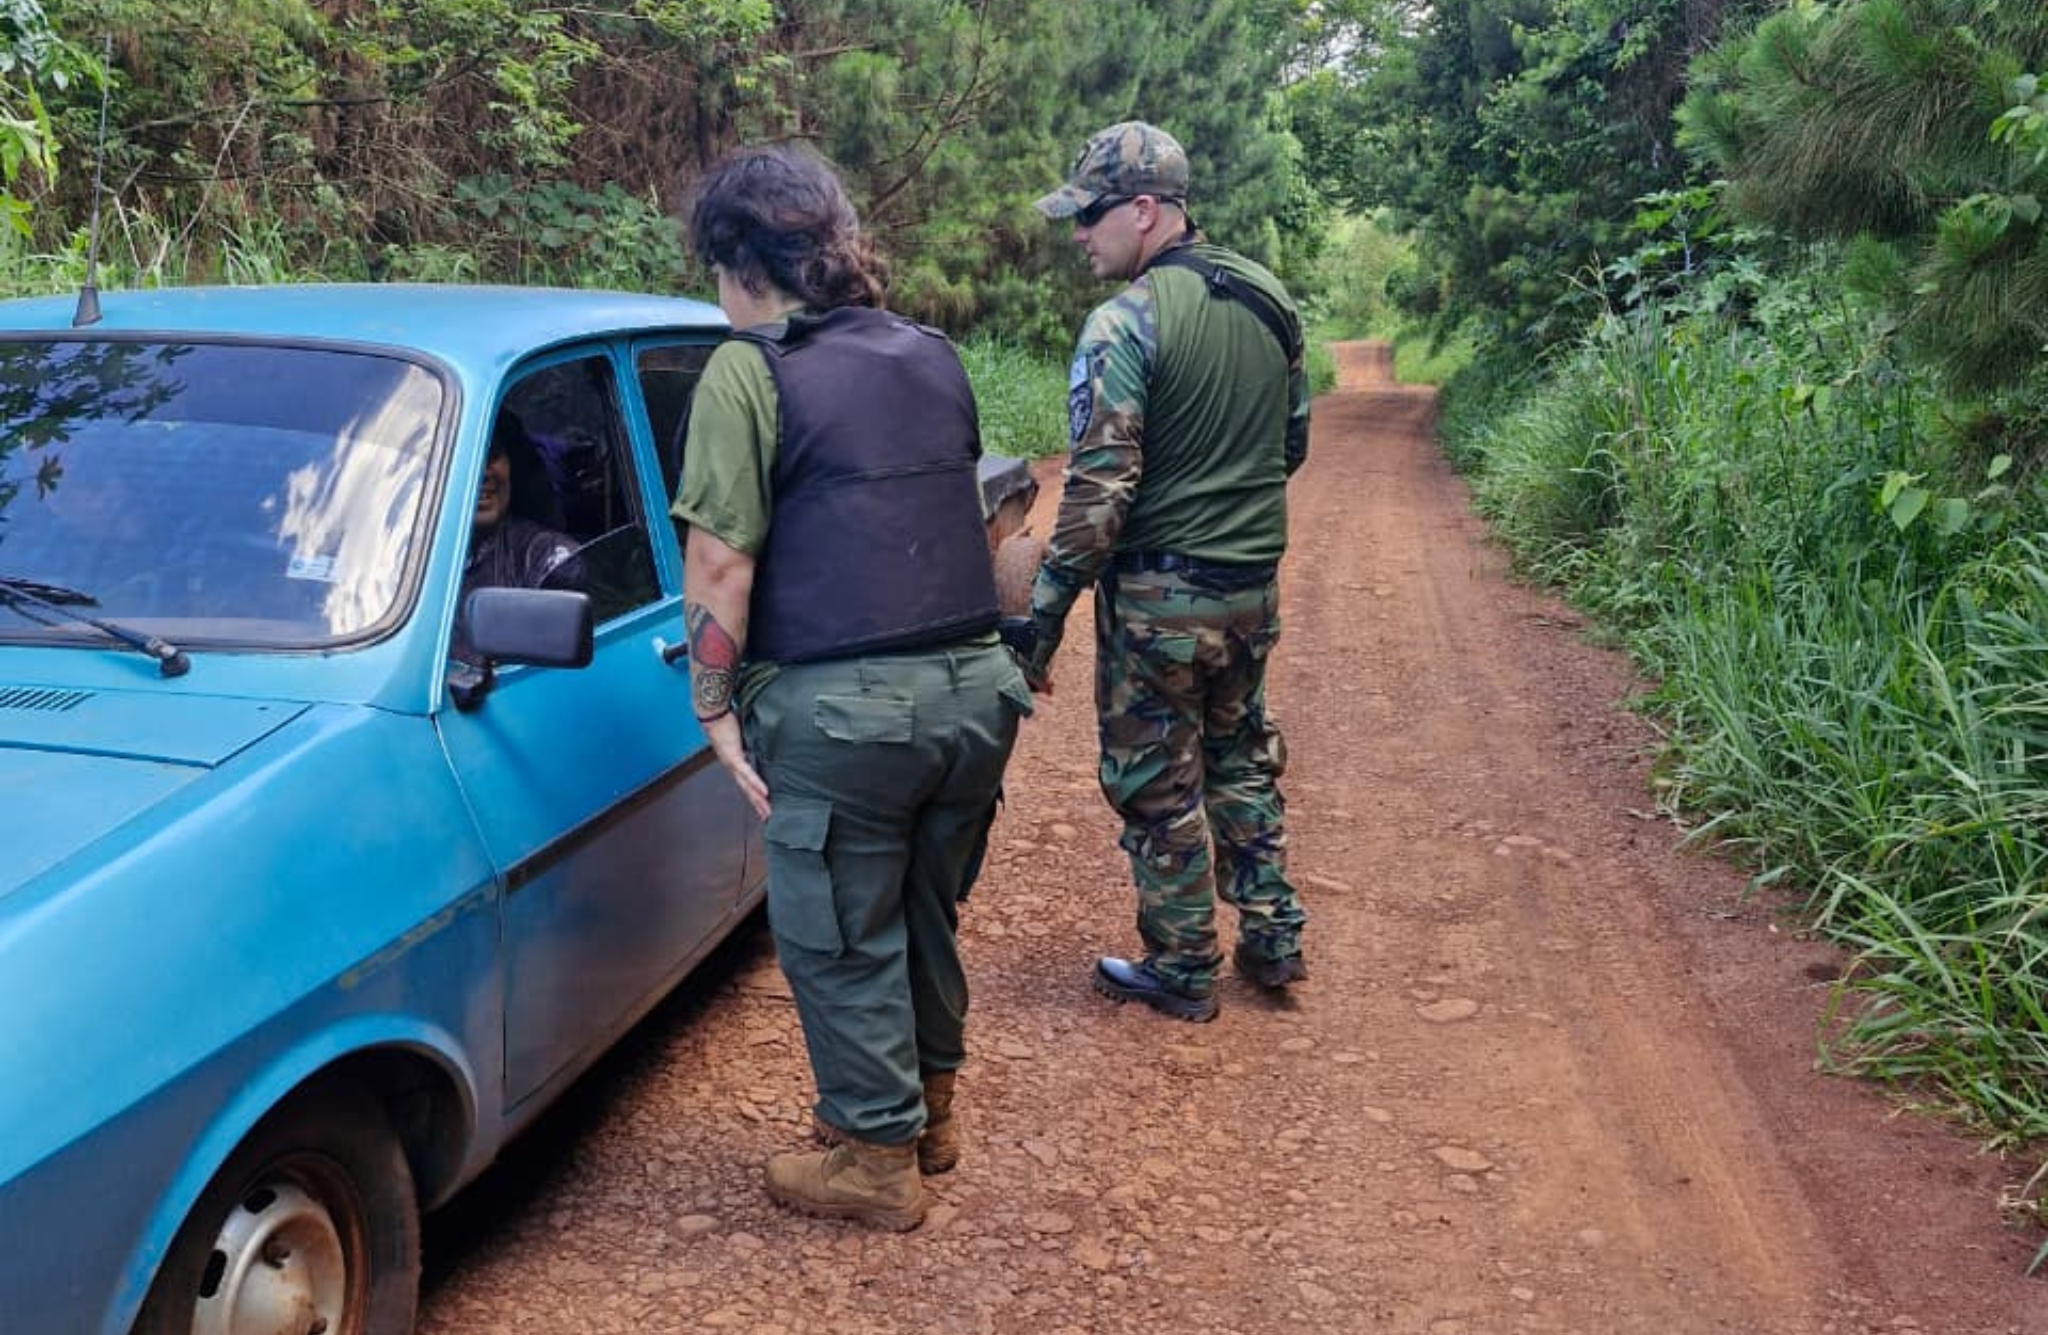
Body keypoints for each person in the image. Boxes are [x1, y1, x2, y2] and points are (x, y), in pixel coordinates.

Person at [671, 143, 1029, 1230]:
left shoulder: (748, 367)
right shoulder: (929, 352)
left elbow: (720, 562)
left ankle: (875, 1161)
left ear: (736, 262)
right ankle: (929, 1114)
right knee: (919, 907)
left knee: (835, 926)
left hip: (848, 707)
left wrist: (712, 707)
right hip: (976, 691)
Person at [1020, 120, 1310, 1023]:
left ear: (1144, 212)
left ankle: (1184, 964)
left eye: (1090, 216)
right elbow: (1291, 443)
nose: (1079, 235)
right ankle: (1273, 936)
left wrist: (1044, 610)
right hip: (1251, 584)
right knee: (1239, 751)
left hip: (1157, 594)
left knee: (1156, 777)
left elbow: (1101, 487)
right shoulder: (1271, 299)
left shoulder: (1124, 323)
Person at [451, 412, 583, 662]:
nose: (481, 471)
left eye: (492, 455)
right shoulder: (399, 554)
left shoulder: (550, 561)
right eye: (465, 455)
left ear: (512, 466)